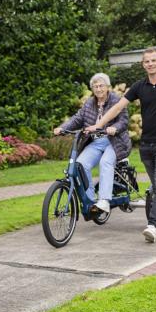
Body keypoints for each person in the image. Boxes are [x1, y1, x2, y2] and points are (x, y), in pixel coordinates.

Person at [87, 47, 156, 243]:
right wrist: (99, 124)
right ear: (143, 64)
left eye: (154, 60)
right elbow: (117, 107)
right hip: (146, 145)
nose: (150, 64)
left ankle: (153, 225)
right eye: (147, 61)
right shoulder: (140, 86)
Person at [54, 73, 131, 214]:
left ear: (107, 87)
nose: (98, 89)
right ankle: (91, 201)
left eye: (101, 85)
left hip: (115, 141)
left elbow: (124, 120)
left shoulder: (116, 100)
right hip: (96, 142)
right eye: (95, 86)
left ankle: (104, 201)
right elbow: (77, 119)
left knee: (106, 162)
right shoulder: (89, 103)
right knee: (80, 164)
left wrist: (115, 128)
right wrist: (63, 128)